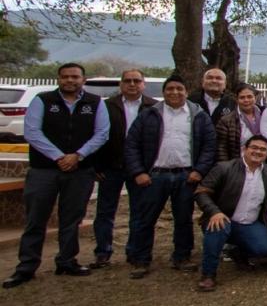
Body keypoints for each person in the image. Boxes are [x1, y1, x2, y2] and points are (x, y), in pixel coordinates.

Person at [3, 63, 110, 288]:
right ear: (59, 79)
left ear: (83, 79)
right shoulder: (43, 100)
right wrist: (59, 157)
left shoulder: (95, 103)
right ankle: (26, 267)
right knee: (35, 219)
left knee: (71, 219)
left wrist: (78, 156)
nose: (70, 80)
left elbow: (102, 133)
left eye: (75, 77)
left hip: (80, 170)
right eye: (65, 77)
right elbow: (32, 132)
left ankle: (67, 261)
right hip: (44, 170)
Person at [123, 75, 217, 279]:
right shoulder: (149, 114)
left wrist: (199, 171)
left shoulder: (199, 116)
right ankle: (141, 260)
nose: (175, 92)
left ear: (186, 91)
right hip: (154, 176)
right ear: (164, 92)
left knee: (183, 219)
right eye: (170, 89)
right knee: (145, 219)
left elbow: (210, 146)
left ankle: (182, 257)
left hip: (186, 176)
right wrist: (139, 172)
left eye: (179, 89)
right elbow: (131, 145)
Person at [193, 135, 267, 291]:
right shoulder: (224, 168)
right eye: (254, 147)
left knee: (266, 248)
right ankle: (208, 274)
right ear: (244, 149)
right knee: (218, 227)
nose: (258, 152)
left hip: (249, 224)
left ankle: (237, 251)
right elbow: (201, 192)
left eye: (263, 150)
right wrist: (214, 212)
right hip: (222, 218)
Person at [92, 69, 157, 269]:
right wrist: (96, 165)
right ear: (121, 84)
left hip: (140, 169)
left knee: (139, 212)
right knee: (105, 212)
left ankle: (135, 252)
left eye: (136, 81)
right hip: (111, 166)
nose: (132, 84)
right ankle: (103, 252)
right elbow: (96, 136)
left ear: (143, 84)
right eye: (127, 81)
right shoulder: (106, 106)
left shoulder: (153, 107)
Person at [216, 83, 263, 162]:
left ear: (255, 97)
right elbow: (221, 149)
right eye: (242, 97)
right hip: (238, 163)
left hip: (264, 162)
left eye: (249, 97)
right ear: (236, 99)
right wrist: (227, 167)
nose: (246, 100)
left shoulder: (265, 115)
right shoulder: (226, 121)